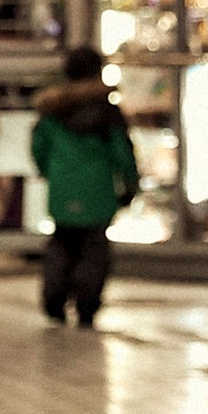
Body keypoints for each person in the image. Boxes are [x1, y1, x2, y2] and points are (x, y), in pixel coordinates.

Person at [30, 45, 139, 327]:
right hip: (99, 191)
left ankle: (54, 296)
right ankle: (87, 304)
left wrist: (48, 172)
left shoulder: (52, 111)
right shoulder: (107, 112)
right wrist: (129, 183)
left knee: (61, 242)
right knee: (94, 249)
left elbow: (39, 147)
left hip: (62, 189)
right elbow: (122, 153)